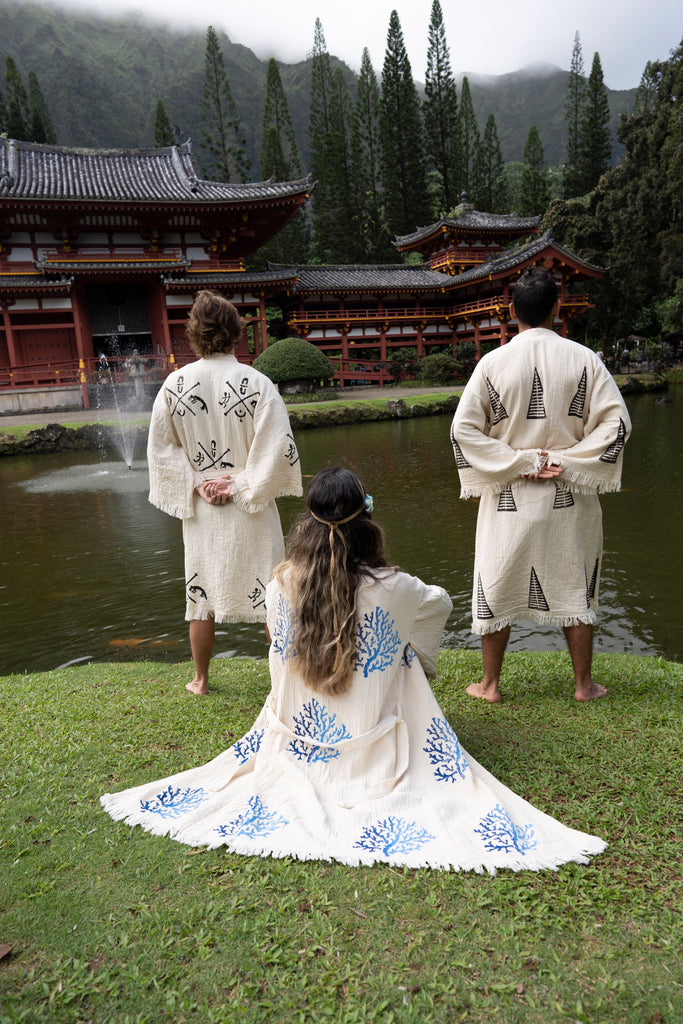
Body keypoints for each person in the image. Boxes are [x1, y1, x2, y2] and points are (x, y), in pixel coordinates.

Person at [101, 466, 606, 872]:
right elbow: (439, 606)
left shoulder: (281, 584)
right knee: (403, 647)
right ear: (366, 519)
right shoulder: (395, 586)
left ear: (309, 521)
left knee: (371, 641)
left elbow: (279, 643)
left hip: (296, 738)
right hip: (374, 744)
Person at [450, 267, 631, 704]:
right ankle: (583, 685)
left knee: (496, 585)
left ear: (512, 311)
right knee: (576, 582)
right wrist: (563, 461)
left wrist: (520, 461)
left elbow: (463, 431)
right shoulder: (586, 359)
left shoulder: (492, 363)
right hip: (569, 497)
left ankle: (490, 686)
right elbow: (617, 424)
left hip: (508, 496)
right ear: (557, 308)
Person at [146, 289, 302, 695]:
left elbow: (161, 448)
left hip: (202, 508)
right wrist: (239, 484)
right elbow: (278, 447)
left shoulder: (174, 384)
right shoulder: (258, 382)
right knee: (273, 593)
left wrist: (198, 482)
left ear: (193, 334)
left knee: (200, 595)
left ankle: (200, 679)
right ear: (236, 332)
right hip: (250, 503)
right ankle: (290, 679)